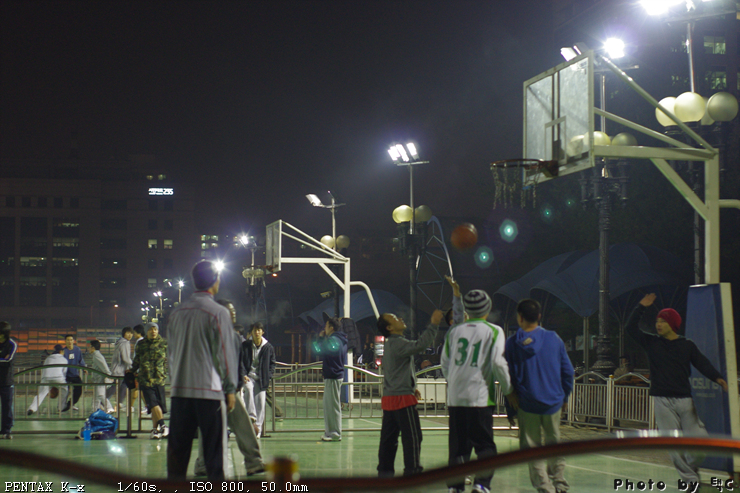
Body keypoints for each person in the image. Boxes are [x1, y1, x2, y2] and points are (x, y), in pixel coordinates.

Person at [626, 293, 728, 485]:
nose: (658, 324)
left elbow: (702, 363)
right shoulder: (651, 342)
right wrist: (641, 307)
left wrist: (718, 378)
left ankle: (691, 467)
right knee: (673, 444)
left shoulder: (687, 345)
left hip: (684, 400)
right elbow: (630, 328)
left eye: (663, 321)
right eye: (657, 321)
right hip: (661, 400)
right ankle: (690, 481)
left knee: (701, 443)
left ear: (673, 324)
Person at [166, 260, 239, 481]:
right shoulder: (218, 313)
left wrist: (175, 382)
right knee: (214, 457)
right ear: (215, 281)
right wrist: (230, 388)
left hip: (180, 393)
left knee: (177, 456)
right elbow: (224, 354)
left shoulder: (177, 313)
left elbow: (170, 355)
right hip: (209, 393)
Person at [441, 289, 512, 493]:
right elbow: (498, 363)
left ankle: (455, 487)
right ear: (487, 309)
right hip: (480, 397)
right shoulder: (494, 331)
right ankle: (481, 484)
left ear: (468, 310)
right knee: (485, 446)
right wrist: (508, 389)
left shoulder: (454, 331)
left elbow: (445, 363)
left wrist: (455, 382)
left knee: (458, 448)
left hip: (456, 398)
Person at [504, 299, 574, 493]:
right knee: (554, 443)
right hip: (553, 402)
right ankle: (560, 483)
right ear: (539, 317)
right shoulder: (554, 339)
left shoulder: (512, 343)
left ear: (520, 317)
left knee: (531, 447)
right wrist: (565, 397)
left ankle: (544, 488)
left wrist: (510, 408)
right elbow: (568, 371)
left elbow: (508, 376)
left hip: (526, 403)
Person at [194, 299, 265, 477]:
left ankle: (254, 462)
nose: (233, 313)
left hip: (230, 390)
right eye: (228, 310)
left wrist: (237, 385)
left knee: (243, 425)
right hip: (210, 390)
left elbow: (237, 364)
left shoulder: (234, 337)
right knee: (208, 428)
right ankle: (202, 464)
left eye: (233, 311)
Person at [376, 309, 443, 477]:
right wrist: (434, 324)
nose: (399, 318)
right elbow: (420, 344)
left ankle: (384, 474)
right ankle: (412, 473)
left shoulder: (390, 345)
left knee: (388, 441)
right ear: (390, 328)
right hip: (402, 400)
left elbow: (396, 371)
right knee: (412, 438)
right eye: (394, 318)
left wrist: (412, 387)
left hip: (390, 398)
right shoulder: (398, 343)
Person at [130, 322, 168, 439]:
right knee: (152, 403)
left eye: (155, 329)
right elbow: (137, 360)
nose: (153, 331)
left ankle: (155, 430)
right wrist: (132, 370)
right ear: (146, 332)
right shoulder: (141, 344)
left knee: (157, 406)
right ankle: (163, 426)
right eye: (151, 329)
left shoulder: (164, 343)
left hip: (159, 379)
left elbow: (169, 359)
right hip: (145, 379)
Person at [314, 316, 347, 441]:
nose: (324, 328)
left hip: (333, 375)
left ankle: (334, 433)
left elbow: (319, 350)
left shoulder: (334, 340)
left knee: (332, 406)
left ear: (331, 328)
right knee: (331, 405)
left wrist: (321, 338)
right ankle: (331, 432)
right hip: (334, 375)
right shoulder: (340, 339)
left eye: (326, 326)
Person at [243, 321, 276, 437]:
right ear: (251, 332)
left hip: (261, 379)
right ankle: (251, 416)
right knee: (248, 388)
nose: (257, 332)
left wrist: (268, 375)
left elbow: (272, 363)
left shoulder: (268, 347)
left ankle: (258, 429)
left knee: (261, 403)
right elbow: (240, 361)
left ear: (262, 332)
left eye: (259, 330)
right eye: (254, 330)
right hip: (249, 377)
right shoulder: (245, 345)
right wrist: (243, 374)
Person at [28, 344, 68, 415]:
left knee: (41, 394)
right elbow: (64, 372)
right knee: (64, 390)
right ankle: (61, 407)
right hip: (58, 378)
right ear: (61, 351)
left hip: (46, 378)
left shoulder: (48, 358)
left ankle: (32, 408)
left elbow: (44, 369)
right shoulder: (64, 359)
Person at [107, 327, 134, 412]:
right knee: (115, 386)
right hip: (119, 370)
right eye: (128, 333)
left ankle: (119, 403)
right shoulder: (124, 343)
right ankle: (103, 400)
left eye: (131, 333)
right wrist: (133, 365)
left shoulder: (121, 342)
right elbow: (125, 358)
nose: (130, 335)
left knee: (124, 385)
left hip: (121, 370)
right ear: (124, 334)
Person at [0, 322, 18, 439]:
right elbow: (4, 360)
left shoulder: (12, 344)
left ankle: (6, 430)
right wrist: (3, 358)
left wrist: (4, 360)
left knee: (7, 407)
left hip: (6, 382)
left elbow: (9, 361)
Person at [61, 334, 86, 412]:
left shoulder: (77, 350)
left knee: (79, 389)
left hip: (75, 374)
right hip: (66, 375)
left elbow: (81, 360)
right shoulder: (63, 351)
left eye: (71, 340)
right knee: (65, 391)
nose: (70, 341)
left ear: (73, 341)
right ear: (65, 341)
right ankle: (62, 405)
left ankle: (71, 404)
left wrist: (84, 368)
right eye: (68, 340)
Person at [89, 340, 115, 413]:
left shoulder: (97, 355)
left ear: (93, 347)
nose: (89, 349)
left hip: (100, 379)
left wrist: (108, 375)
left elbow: (104, 366)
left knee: (100, 395)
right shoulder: (96, 355)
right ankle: (95, 410)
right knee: (97, 396)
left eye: (89, 347)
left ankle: (109, 408)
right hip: (98, 379)